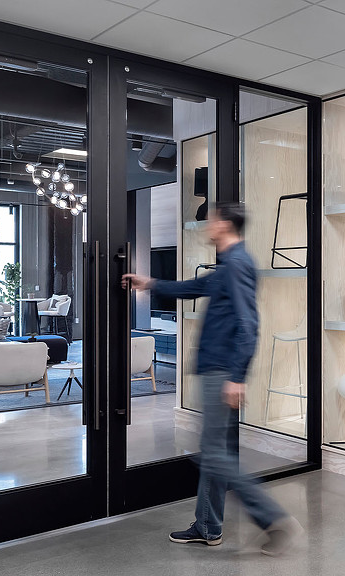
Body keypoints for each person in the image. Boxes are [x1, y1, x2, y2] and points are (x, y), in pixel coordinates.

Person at [122, 202, 302, 556]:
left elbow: (249, 325)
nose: (206, 225)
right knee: (216, 453)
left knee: (215, 455)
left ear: (223, 225)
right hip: (219, 371)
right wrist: (150, 283)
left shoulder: (236, 265)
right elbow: (193, 287)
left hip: (221, 373)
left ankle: (273, 519)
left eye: (210, 220)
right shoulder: (231, 263)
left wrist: (236, 378)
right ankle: (207, 526)